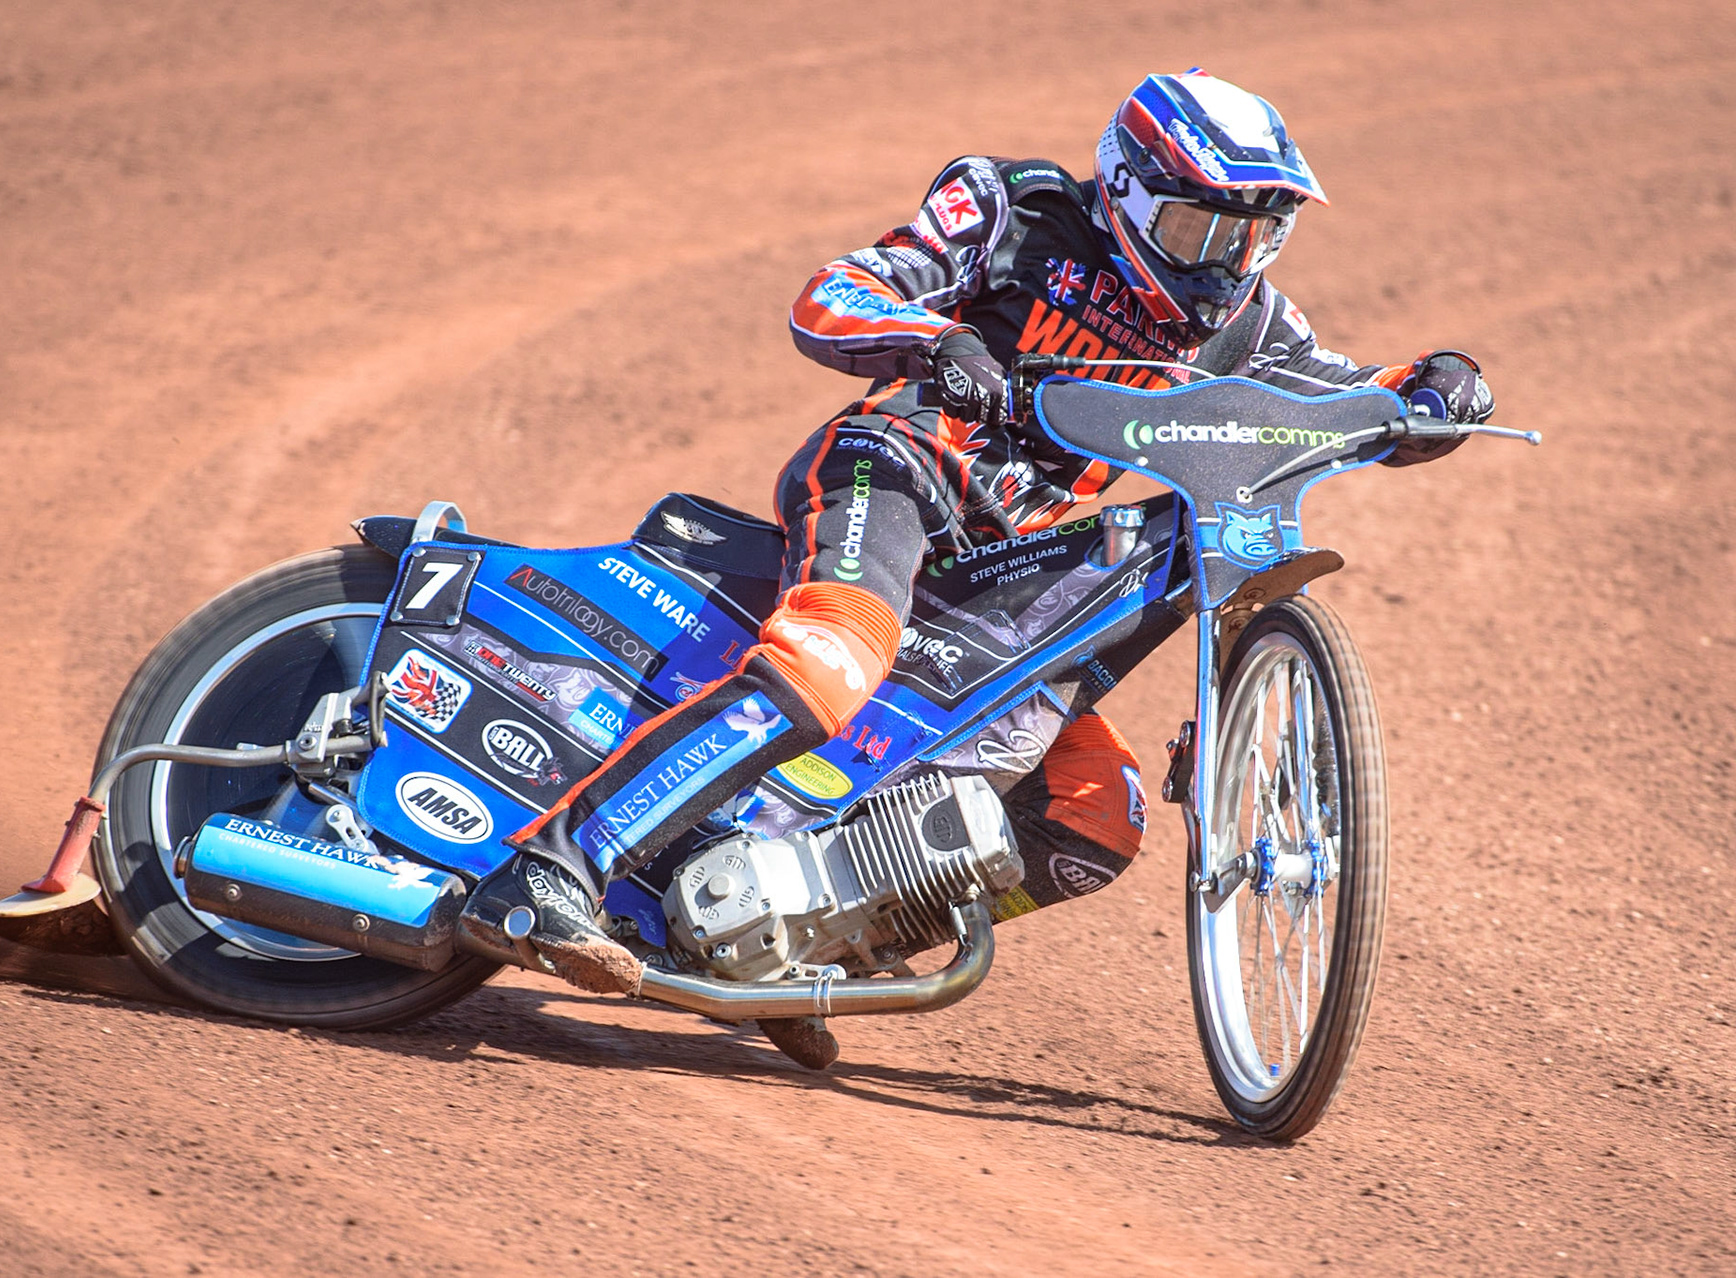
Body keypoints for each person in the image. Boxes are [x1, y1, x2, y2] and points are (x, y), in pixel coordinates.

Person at [459, 69, 1494, 1032]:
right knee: (832, 663)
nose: (1223, 264)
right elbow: (832, 295)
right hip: (896, 471)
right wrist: (933, 340)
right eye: (1197, 227)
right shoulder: (1014, 207)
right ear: (1129, 194)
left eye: (1249, 238)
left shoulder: (1246, 325)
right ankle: (552, 867)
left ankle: (808, 960)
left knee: (1101, 815)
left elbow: (1340, 392)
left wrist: (1437, 384)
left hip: (1008, 565)